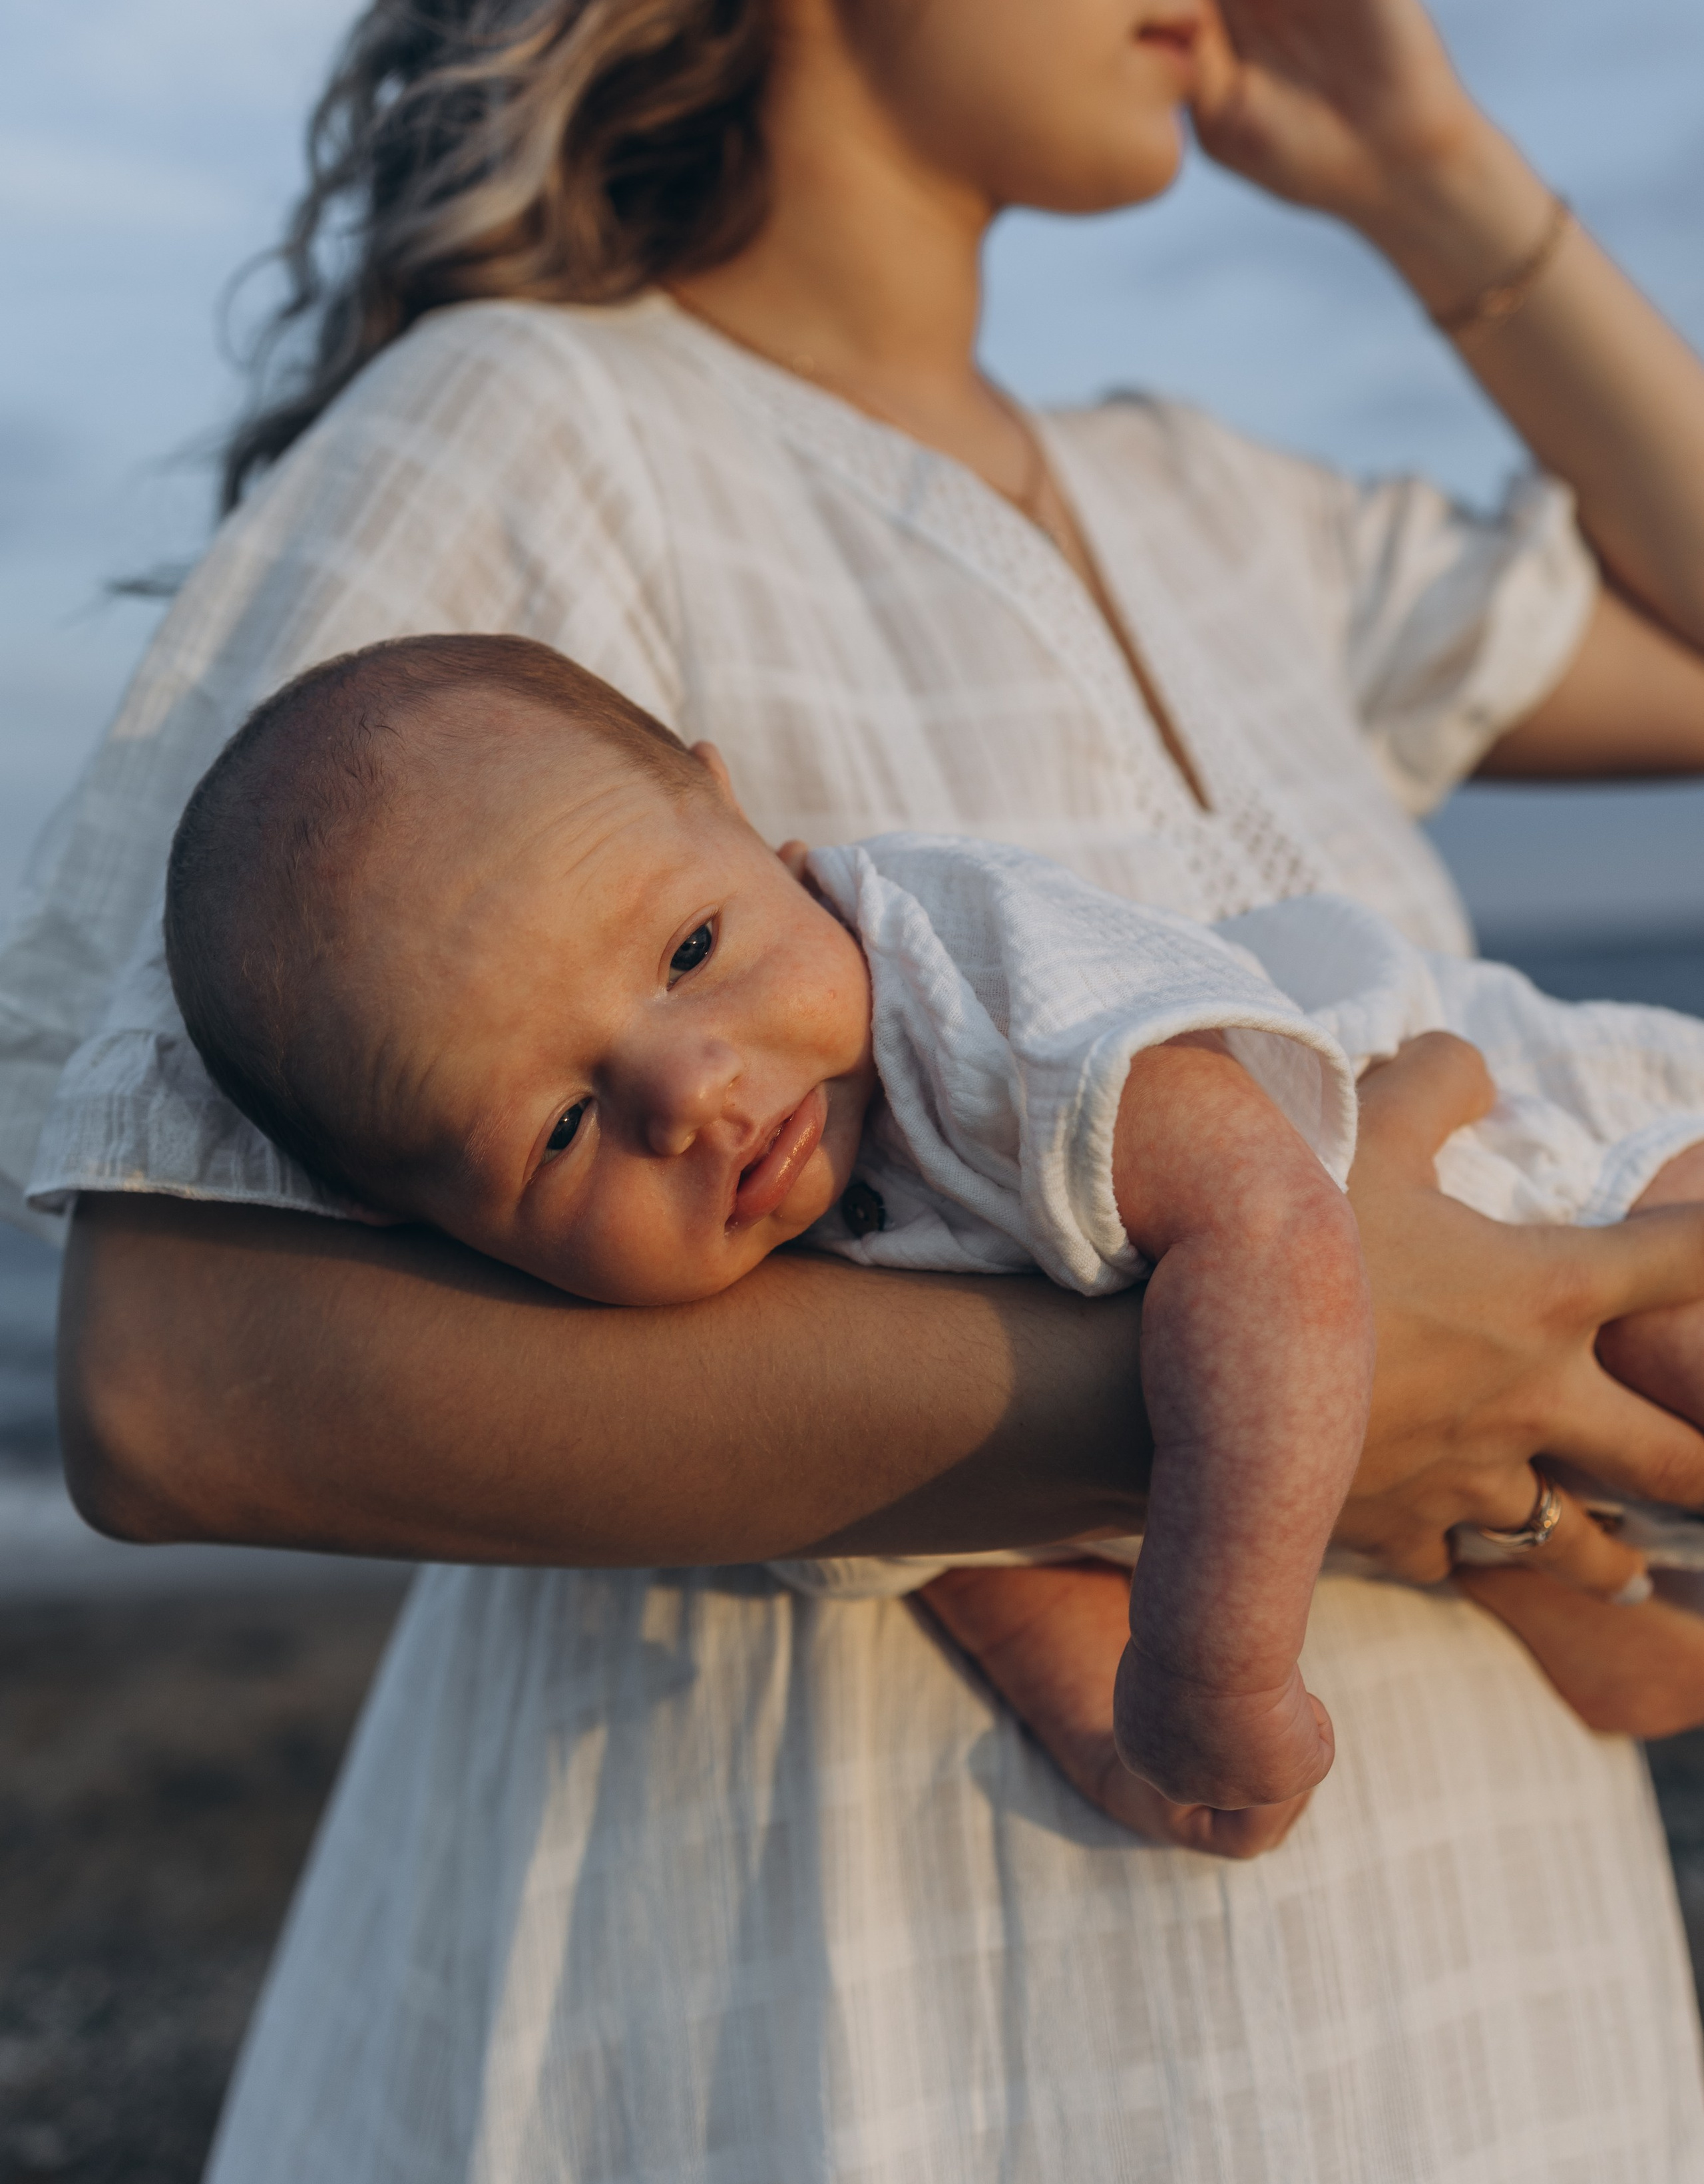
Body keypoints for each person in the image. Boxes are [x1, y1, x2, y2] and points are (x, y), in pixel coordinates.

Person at [7, 0, 1704, 2184]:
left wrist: (1434, 178)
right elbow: (175, 1381)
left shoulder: (1220, 509)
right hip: (878, 2051)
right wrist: (1261, 1381)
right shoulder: (521, 423)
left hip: (1480, 2036)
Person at [163, 631, 1704, 1815]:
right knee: (1636, 1658)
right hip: (1501, 1433)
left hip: (1555, 1153)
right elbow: (989, 1567)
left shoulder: (961, 982)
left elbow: (1279, 1235)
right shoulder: (778, 1369)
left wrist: (1207, 1662)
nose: (690, 1087)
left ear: (741, 817)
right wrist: (1129, 1748)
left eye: (693, 944)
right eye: (560, 1128)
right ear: (435, 1228)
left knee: (1665, 1342)